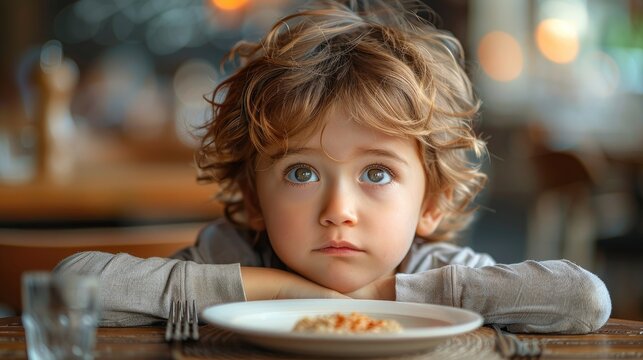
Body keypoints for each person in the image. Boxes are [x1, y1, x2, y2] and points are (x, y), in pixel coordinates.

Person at [55, 0, 611, 333]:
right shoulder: (232, 254)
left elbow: (584, 299)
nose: (338, 212)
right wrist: (278, 292)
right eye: (301, 173)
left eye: (377, 173)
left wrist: (385, 297)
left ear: (431, 201)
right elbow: (74, 284)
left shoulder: (440, 267)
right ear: (253, 197)